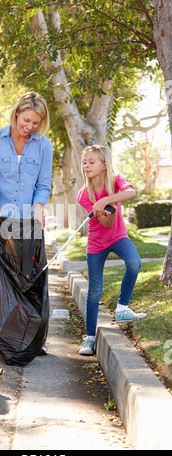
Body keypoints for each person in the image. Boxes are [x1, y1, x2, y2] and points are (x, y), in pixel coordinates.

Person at [0, 92, 53, 354]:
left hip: (27, 219)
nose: (29, 127)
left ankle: (28, 337)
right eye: (26, 120)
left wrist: (38, 210)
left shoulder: (44, 145)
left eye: (35, 123)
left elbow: (43, 185)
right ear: (16, 113)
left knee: (27, 277)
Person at [77, 145, 146, 356]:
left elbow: (131, 192)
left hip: (118, 237)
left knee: (134, 263)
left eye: (91, 162)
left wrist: (107, 199)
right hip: (97, 243)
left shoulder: (116, 179)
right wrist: (106, 207)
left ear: (104, 165)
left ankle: (122, 309)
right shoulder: (83, 195)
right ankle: (89, 339)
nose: (86, 166)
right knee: (95, 290)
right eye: (84, 162)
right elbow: (106, 223)